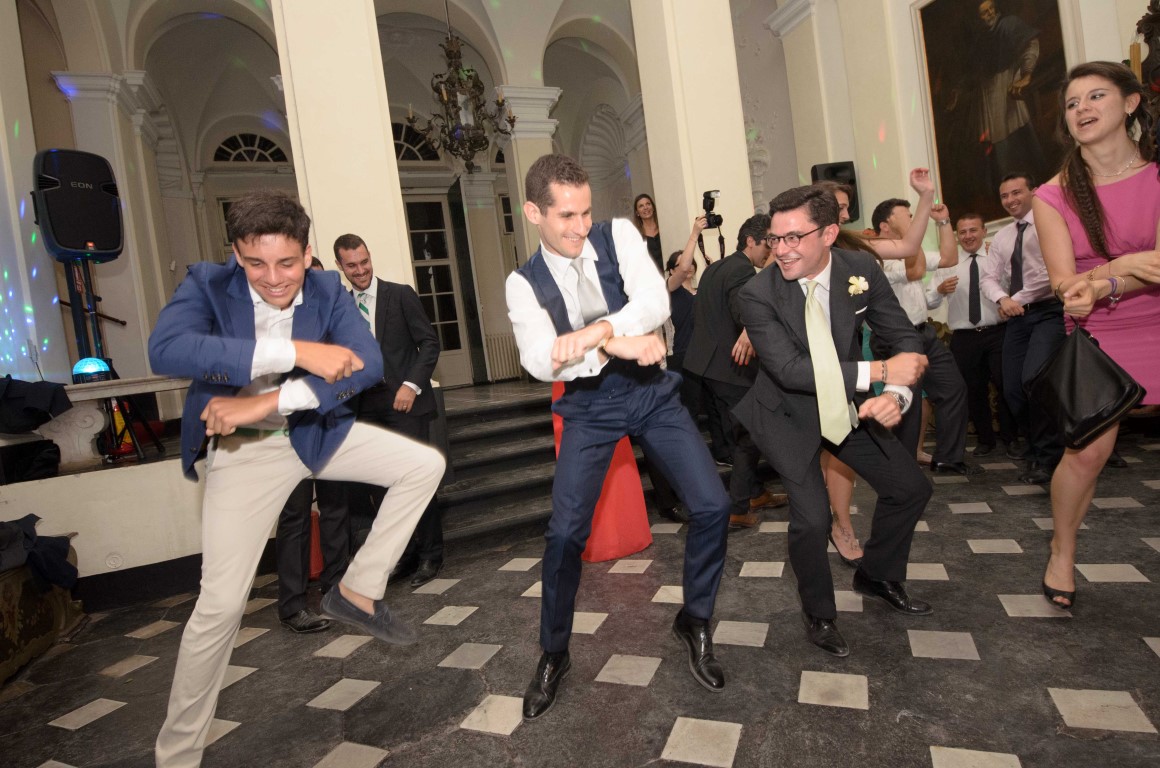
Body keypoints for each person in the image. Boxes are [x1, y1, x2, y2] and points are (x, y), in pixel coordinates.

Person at [149, 191, 444, 766]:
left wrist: (266, 402)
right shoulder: (208, 284)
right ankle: (177, 756)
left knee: (424, 464)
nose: (272, 278)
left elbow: (368, 365)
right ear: (236, 253)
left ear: (307, 254)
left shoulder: (329, 289)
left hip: (313, 436)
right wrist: (294, 352)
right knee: (220, 607)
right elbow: (167, 349)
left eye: (286, 262)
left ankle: (357, 589)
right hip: (245, 455)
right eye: (255, 263)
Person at [506, 154, 731, 719]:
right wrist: (616, 344)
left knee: (712, 505)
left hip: (651, 395)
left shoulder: (619, 234)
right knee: (564, 536)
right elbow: (540, 359)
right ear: (534, 213)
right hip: (588, 409)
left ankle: (695, 619)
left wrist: (598, 334)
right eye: (566, 216)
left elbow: (654, 301)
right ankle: (554, 652)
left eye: (585, 212)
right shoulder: (522, 283)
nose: (581, 227)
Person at [735, 184, 933, 658]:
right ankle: (819, 613)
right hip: (787, 414)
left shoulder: (860, 269)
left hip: (845, 407)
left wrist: (898, 395)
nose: (781, 250)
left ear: (828, 234)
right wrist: (881, 374)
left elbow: (903, 337)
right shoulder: (756, 293)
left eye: (794, 237)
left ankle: (877, 574)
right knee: (812, 519)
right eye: (775, 238)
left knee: (910, 488)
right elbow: (790, 370)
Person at [1033, 61, 1160, 609]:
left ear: (1130, 103)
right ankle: (1062, 550)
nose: (1081, 108)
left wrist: (1105, 278)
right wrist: (1123, 269)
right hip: (1098, 328)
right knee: (1088, 452)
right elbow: (1065, 284)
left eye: (1096, 96)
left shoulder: (1157, 177)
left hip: (1154, 315)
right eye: (1072, 103)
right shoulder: (1052, 195)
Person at [333, 233, 444, 587]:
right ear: (340, 266)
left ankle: (430, 555)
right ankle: (405, 555)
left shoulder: (400, 295)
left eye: (364, 262)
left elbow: (429, 343)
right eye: (352, 265)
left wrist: (411, 385)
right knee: (382, 489)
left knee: (416, 479)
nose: (360, 270)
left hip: (404, 404)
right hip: (365, 407)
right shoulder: (342, 307)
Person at [684, 214, 787, 529]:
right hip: (731, 367)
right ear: (751, 241)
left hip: (707, 366)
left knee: (740, 433)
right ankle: (738, 507)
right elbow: (745, 311)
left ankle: (754, 493)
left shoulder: (717, 267)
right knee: (749, 436)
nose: (771, 250)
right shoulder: (742, 269)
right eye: (768, 243)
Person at [870, 194, 978, 475]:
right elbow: (915, 270)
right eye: (906, 216)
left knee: (953, 389)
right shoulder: (877, 258)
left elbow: (949, 258)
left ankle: (949, 458)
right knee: (908, 404)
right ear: (885, 225)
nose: (913, 219)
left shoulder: (910, 250)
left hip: (924, 332)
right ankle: (902, 471)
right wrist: (912, 233)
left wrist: (943, 222)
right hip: (896, 340)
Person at [273, 257, 351, 634]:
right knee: (295, 519)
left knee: (336, 511)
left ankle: (336, 591)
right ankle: (292, 606)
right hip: (289, 434)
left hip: (331, 428)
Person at [979, 172, 1064, 481]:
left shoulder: (1050, 225)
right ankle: (1038, 445)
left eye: (1016, 192)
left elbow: (1051, 273)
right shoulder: (1004, 236)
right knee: (1013, 387)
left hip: (1049, 312)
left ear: (1034, 192)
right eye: (1005, 195)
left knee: (1034, 380)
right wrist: (1003, 299)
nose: (1010, 200)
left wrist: (1015, 299)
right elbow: (988, 277)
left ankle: (1047, 457)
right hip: (1016, 317)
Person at [927, 212, 1017, 459]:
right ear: (957, 236)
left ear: (984, 231)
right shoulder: (948, 263)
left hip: (999, 332)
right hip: (964, 337)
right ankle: (985, 440)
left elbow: (1014, 286)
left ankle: (1011, 439)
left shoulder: (997, 259)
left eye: (973, 230)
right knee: (973, 390)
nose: (968, 236)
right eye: (963, 232)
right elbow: (929, 301)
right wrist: (939, 290)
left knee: (1006, 386)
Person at [632, 192, 664, 272]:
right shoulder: (636, 235)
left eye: (648, 204)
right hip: (650, 276)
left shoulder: (663, 227)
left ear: (653, 208)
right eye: (641, 206)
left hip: (671, 275)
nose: (645, 207)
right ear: (637, 213)